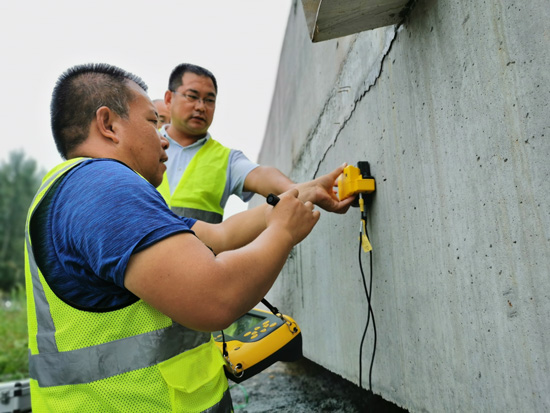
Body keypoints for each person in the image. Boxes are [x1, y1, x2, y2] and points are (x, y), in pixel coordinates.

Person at [24, 63, 351, 412]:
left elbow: (220, 235)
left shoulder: (76, 189)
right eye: (153, 122)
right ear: (108, 125)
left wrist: (305, 193)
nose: (164, 137)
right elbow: (216, 298)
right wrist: (283, 233)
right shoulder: (106, 188)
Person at [159, 63, 350, 223]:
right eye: (192, 96)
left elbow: (262, 175)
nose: (201, 107)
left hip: (199, 257)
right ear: (169, 99)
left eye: (209, 100)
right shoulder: (145, 144)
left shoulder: (226, 159)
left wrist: (308, 189)